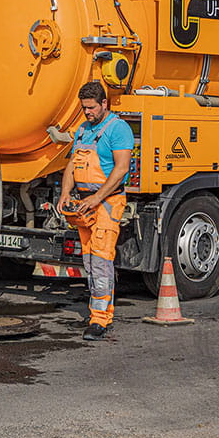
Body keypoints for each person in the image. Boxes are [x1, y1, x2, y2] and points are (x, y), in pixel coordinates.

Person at [57, 81, 134, 341]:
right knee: (90, 261)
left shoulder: (118, 129)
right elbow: (72, 165)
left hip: (107, 202)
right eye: (84, 108)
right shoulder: (83, 130)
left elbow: (121, 168)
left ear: (104, 103)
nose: (87, 112)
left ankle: (100, 320)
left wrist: (98, 198)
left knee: (101, 261)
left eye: (91, 108)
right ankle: (98, 311)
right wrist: (65, 192)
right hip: (84, 204)